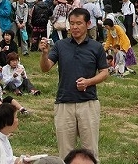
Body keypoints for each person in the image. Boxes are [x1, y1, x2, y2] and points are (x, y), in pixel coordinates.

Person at [40, 8, 108, 159]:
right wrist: (44, 54)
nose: (75, 27)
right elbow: (45, 68)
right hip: (64, 103)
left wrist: (89, 82)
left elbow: (105, 72)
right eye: (72, 24)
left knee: (90, 152)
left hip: (88, 103)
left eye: (79, 23)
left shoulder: (96, 47)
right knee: (65, 153)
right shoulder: (60, 45)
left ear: (88, 24)